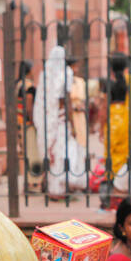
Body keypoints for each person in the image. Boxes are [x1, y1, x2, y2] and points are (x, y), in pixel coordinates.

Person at [32, 45, 85, 195]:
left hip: (47, 120)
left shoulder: (45, 74)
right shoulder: (66, 73)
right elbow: (65, 100)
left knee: (52, 154)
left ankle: (52, 188)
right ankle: (60, 188)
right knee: (64, 152)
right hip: (61, 119)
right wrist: (72, 125)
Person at [107, 52, 131, 176]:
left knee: (112, 155)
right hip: (130, 127)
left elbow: (104, 107)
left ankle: (113, 179)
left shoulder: (111, 83)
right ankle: (126, 178)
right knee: (127, 154)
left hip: (114, 124)